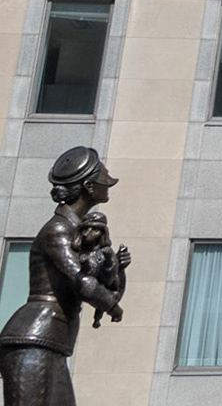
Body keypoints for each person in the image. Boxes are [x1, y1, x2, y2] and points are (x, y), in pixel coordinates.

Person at [0, 147, 130, 406]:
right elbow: (83, 283)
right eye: (105, 181)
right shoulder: (58, 231)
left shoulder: (78, 232)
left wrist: (115, 269)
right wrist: (113, 307)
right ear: (89, 187)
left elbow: (101, 283)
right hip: (33, 341)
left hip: (53, 343)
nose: (109, 186)